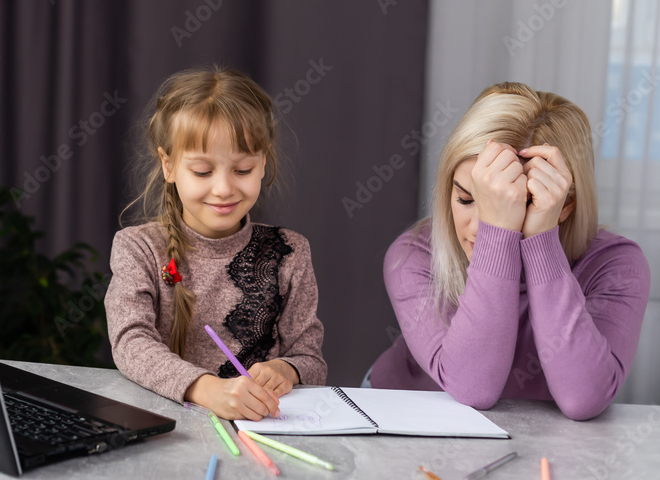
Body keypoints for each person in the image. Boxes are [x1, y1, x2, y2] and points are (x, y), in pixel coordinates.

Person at [370, 82, 650, 420]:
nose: (480, 227)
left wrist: (542, 240)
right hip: (399, 418)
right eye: (465, 199)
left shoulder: (617, 265)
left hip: (533, 435)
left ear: (564, 205)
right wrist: (500, 233)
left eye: (514, 203)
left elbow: (584, 398)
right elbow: (473, 388)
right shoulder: (413, 255)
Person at [104, 67, 327, 421]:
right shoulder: (139, 248)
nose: (223, 189)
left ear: (263, 163)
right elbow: (130, 343)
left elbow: (311, 359)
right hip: (169, 426)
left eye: (242, 170)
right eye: (203, 172)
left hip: (259, 429)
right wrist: (210, 391)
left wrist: (286, 369)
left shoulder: (290, 252)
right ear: (168, 166)